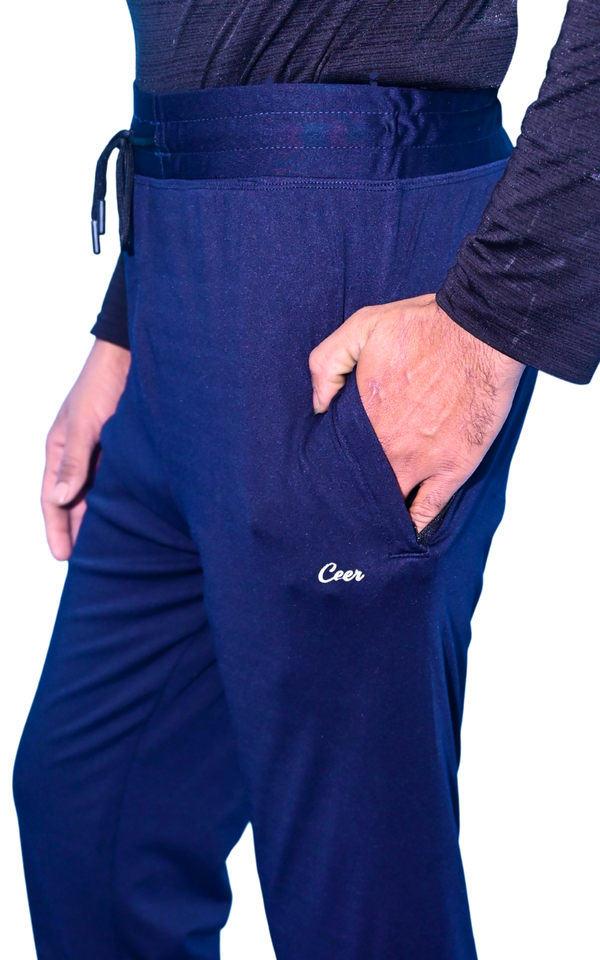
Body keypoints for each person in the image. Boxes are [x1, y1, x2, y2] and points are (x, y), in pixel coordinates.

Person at [13, 1, 600, 958]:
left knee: (353, 897)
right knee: (93, 819)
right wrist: (129, 321)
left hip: (356, 253)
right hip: (174, 266)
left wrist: (498, 315)